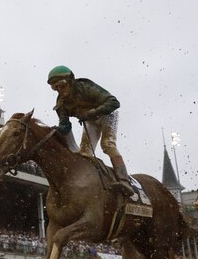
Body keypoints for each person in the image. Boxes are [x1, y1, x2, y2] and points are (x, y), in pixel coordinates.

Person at [47, 66, 134, 196]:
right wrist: (56, 130)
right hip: (90, 121)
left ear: (71, 81)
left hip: (108, 115)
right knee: (84, 153)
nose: (60, 91)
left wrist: (91, 113)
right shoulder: (61, 103)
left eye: (62, 86)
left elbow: (114, 102)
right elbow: (65, 126)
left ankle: (124, 180)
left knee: (107, 145)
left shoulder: (85, 87)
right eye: (56, 88)